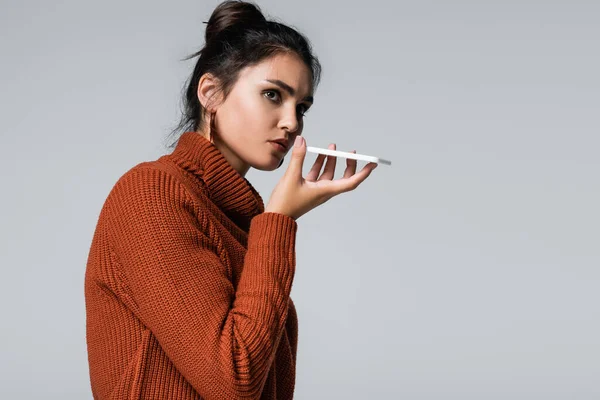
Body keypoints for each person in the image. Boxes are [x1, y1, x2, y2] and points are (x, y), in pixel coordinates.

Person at [84, 1, 378, 399]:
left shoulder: (236, 217)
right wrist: (279, 220)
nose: (292, 122)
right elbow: (233, 380)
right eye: (273, 95)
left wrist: (273, 219)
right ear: (211, 93)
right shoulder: (152, 194)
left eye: (301, 107)